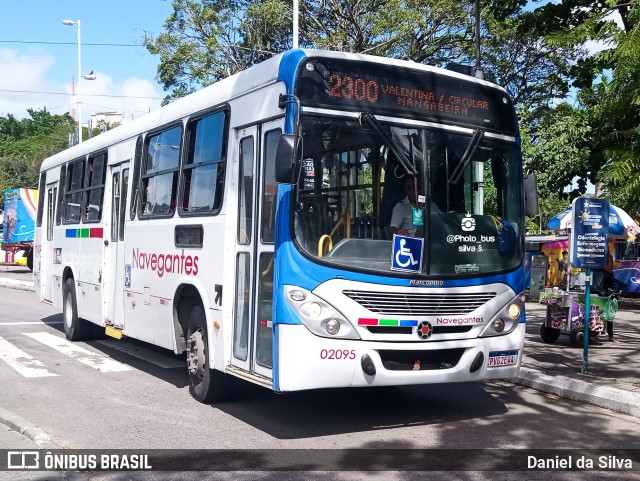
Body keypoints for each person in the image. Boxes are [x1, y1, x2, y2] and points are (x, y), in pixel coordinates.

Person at [604, 253, 620, 343]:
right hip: (600, 287)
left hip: (608, 287)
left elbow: (610, 269)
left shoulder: (607, 256)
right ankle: (610, 335)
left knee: (609, 312)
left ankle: (610, 335)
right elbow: (610, 269)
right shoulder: (603, 256)